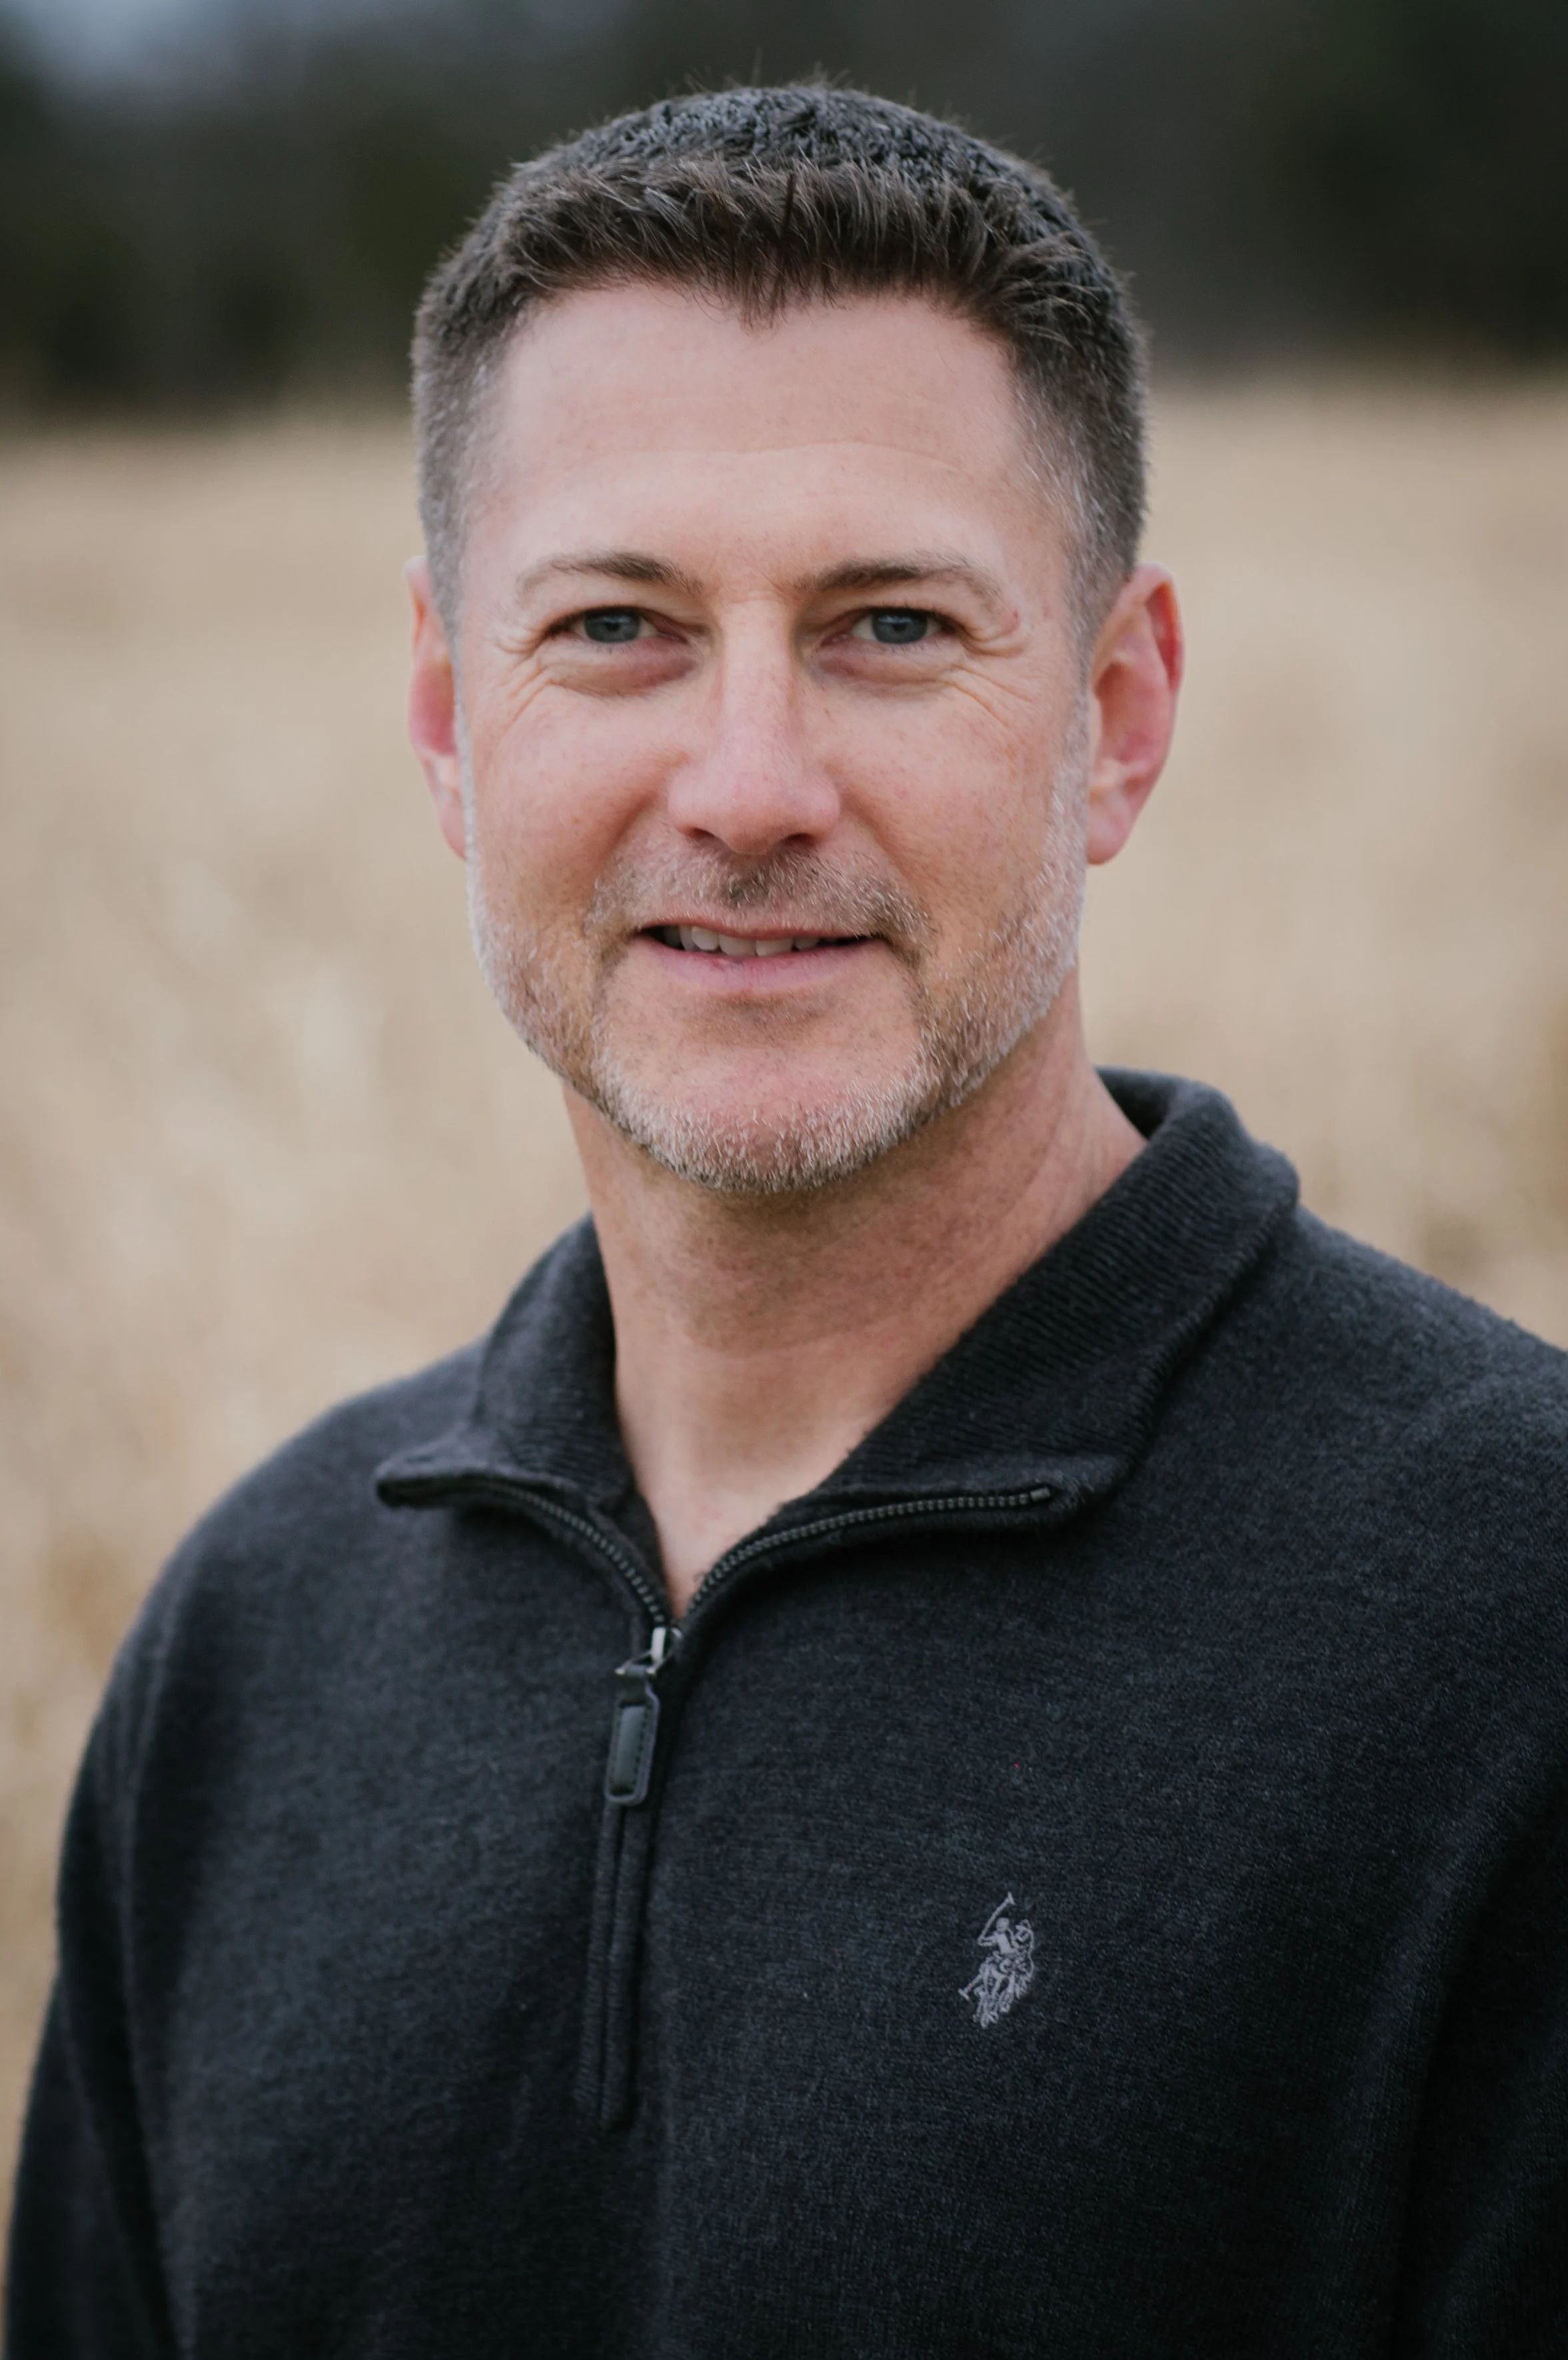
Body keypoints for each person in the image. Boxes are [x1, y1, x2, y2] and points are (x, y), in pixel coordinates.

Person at [7, 85, 1567, 2360]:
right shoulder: (251, 1651)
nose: (747, 786)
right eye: (621, 625)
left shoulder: (1508, 1625)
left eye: (892, 627)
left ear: (1117, 719)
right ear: (450, 723)